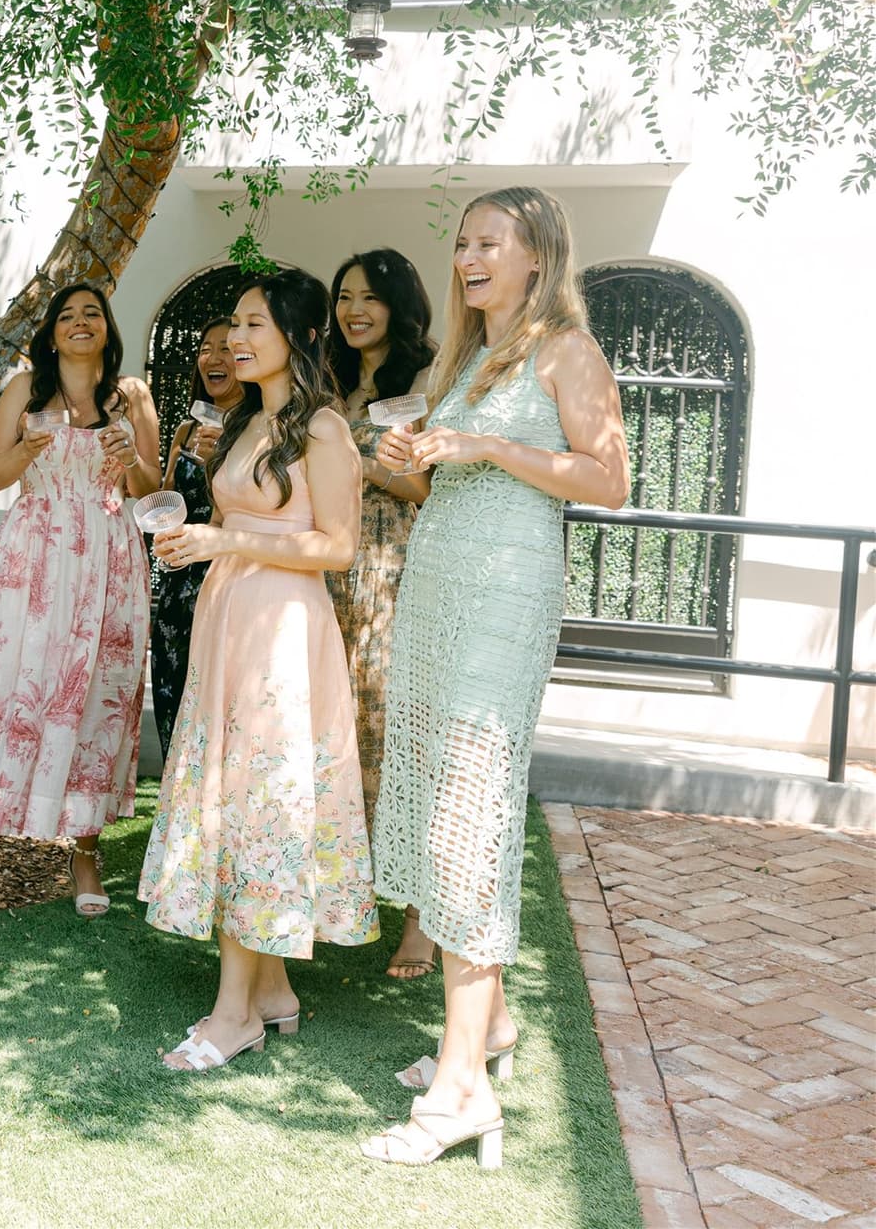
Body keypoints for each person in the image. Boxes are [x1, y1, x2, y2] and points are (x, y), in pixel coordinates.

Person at [361, 188, 628, 1169]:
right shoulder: (467, 358)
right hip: (437, 588)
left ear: (535, 256)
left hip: (508, 599)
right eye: (462, 243)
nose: (469, 258)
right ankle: (494, 1031)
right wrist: (406, 453)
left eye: (489, 243)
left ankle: (463, 1088)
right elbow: (432, 482)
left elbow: (607, 479)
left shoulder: (568, 353)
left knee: (469, 815)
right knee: (438, 802)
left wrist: (483, 443)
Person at [140, 269, 377, 1071]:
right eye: (233, 326)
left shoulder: (323, 431)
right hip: (228, 617)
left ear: (302, 337)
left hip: (281, 631)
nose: (236, 340)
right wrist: (201, 542)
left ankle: (234, 1012)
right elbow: (237, 522)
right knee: (231, 790)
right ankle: (272, 991)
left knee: (257, 800)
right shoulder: (249, 422)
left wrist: (226, 541)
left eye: (253, 326)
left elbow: (338, 547)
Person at [0, 283, 158, 929]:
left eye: (91, 313)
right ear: (51, 334)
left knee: (94, 702)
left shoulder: (131, 396)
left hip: (108, 561)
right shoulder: (24, 390)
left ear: (107, 328)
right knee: (1, 692)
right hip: (32, 563)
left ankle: (84, 855)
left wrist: (132, 461)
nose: (79, 323)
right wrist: (28, 449)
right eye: (66, 316)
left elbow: (151, 491)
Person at [321, 249, 439, 979]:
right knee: (330, 732)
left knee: (395, 735)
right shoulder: (328, 380)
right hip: (325, 570)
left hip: (393, 573)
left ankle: (420, 920)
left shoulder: (428, 379)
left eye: (368, 298)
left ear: (398, 304)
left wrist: (362, 466)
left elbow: (428, 490)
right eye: (343, 298)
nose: (353, 311)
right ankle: (340, 893)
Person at [148, 316, 241, 756]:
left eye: (226, 348)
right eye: (206, 348)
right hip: (179, 577)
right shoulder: (186, 430)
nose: (214, 358)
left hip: (226, 573)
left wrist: (219, 459)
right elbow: (170, 495)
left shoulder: (256, 427)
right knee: (173, 686)